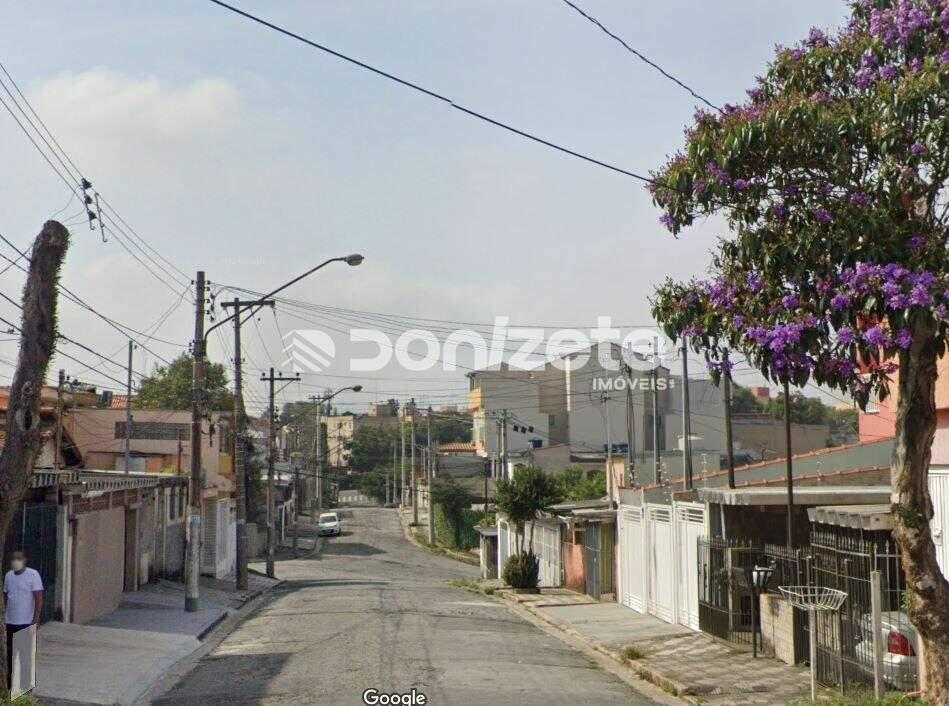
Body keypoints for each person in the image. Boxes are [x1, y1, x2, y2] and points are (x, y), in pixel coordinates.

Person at [4, 551, 42, 688]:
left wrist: (35, 620)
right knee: (9, 657)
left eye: (19, 558)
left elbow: (38, 599)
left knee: (24, 657)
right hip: (10, 622)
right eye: (14, 558)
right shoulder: (8, 576)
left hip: (25, 622)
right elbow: (6, 597)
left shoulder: (33, 575)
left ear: (25, 560)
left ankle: (24, 689)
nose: (16, 561)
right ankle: (8, 687)